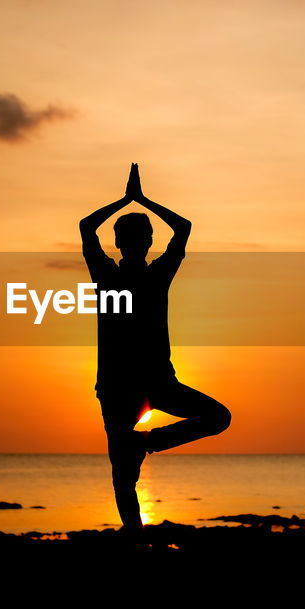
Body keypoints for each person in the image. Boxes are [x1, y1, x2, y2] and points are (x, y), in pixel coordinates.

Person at [79, 163, 231, 532]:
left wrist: (128, 200)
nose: (140, 242)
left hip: (139, 385)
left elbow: (86, 227)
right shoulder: (135, 275)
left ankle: (144, 447)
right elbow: (183, 228)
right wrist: (142, 200)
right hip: (131, 387)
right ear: (145, 243)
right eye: (141, 236)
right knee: (216, 419)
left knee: (123, 477)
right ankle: (145, 449)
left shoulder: (117, 275)